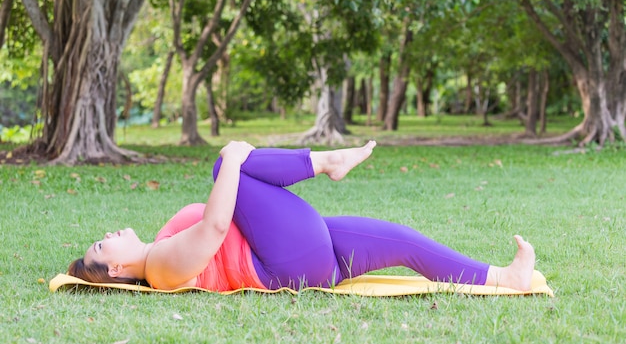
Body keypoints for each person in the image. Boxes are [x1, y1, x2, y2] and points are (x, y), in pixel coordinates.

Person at [68, 140, 536, 292]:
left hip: (305, 253)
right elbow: (213, 228)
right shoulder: (161, 267)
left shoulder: (160, 243)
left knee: (403, 242)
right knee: (224, 164)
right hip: (284, 262)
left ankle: (503, 277)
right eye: (101, 244)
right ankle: (328, 161)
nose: (106, 235)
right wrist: (231, 160)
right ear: (115, 269)